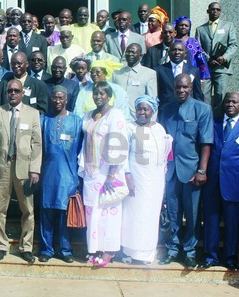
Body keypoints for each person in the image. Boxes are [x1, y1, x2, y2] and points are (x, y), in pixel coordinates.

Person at [158, 74, 213, 268]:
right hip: (170, 171)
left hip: (191, 171)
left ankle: (190, 251)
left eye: (185, 87)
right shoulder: (166, 110)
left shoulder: (203, 109)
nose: (181, 91)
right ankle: (173, 249)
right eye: (178, 88)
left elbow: (206, 143)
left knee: (192, 214)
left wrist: (202, 170)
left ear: (191, 88)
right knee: (172, 212)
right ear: (173, 89)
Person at [202, 92, 239, 270]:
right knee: (211, 222)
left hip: (234, 183)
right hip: (212, 182)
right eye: (228, 101)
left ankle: (230, 259)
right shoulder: (214, 123)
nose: (231, 104)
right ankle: (210, 257)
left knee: (232, 224)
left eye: (235, 102)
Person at [0, 79, 42, 264]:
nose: (12, 93)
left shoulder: (33, 114)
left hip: (25, 169)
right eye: (10, 91)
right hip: (3, 167)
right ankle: (1, 246)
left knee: (28, 209)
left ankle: (26, 247)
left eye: (16, 90)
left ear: (22, 93)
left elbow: (37, 144)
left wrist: (35, 170)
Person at [79, 81, 129, 266]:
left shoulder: (115, 115)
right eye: (95, 93)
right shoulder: (89, 115)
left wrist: (112, 174)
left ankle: (109, 251)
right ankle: (95, 248)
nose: (98, 96)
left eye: (102, 93)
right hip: (91, 172)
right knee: (93, 211)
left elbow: (119, 143)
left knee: (109, 213)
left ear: (109, 95)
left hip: (107, 172)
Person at [121, 96, 172, 265]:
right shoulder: (129, 128)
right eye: (139, 109)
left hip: (155, 181)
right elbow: (123, 155)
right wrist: (127, 176)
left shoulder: (160, 129)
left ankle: (146, 253)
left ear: (153, 111)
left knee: (150, 215)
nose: (142, 112)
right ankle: (129, 251)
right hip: (135, 178)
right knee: (133, 215)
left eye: (146, 109)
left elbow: (164, 156)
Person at [38, 86, 83, 263]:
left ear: (66, 100)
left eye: (61, 98)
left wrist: (78, 176)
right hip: (47, 174)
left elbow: (81, 150)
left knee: (65, 214)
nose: (57, 101)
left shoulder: (77, 121)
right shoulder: (44, 120)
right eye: (54, 98)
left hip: (68, 175)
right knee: (46, 212)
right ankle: (46, 250)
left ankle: (65, 250)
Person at [195, 2, 238, 113]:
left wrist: (224, 57)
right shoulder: (200, 29)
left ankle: (219, 121)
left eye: (218, 9)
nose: (215, 11)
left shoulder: (228, 26)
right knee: (205, 95)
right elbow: (197, 47)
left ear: (220, 11)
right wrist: (208, 59)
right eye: (213, 9)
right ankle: (207, 118)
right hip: (206, 68)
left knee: (220, 94)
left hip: (222, 68)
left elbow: (233, 45)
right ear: (208, 11)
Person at [111, 43, 158, 120]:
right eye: (128, 52)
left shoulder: (149, 74)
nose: (130, 54)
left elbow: (152, 101)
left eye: (133, 52)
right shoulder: (116, 74)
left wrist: (151, 122)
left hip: (139, 120)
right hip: (118, 120)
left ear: (141, 56)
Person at [155, 41, 203, 107]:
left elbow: (198, 94)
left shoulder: (194, 70)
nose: (177, 52)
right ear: (168, 53)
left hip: (188, 109)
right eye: (174, 50)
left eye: (180, 50)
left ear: (185, 53)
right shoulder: (159, 70)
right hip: (166, 110)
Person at [174, 16, 209, 101]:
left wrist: (202, 78)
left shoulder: (194, 41)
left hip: (192, 74)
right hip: (176, 73)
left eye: (186, 25)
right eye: (181, 25)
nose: (183, 27)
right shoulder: (172, 41)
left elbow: (201, 61)